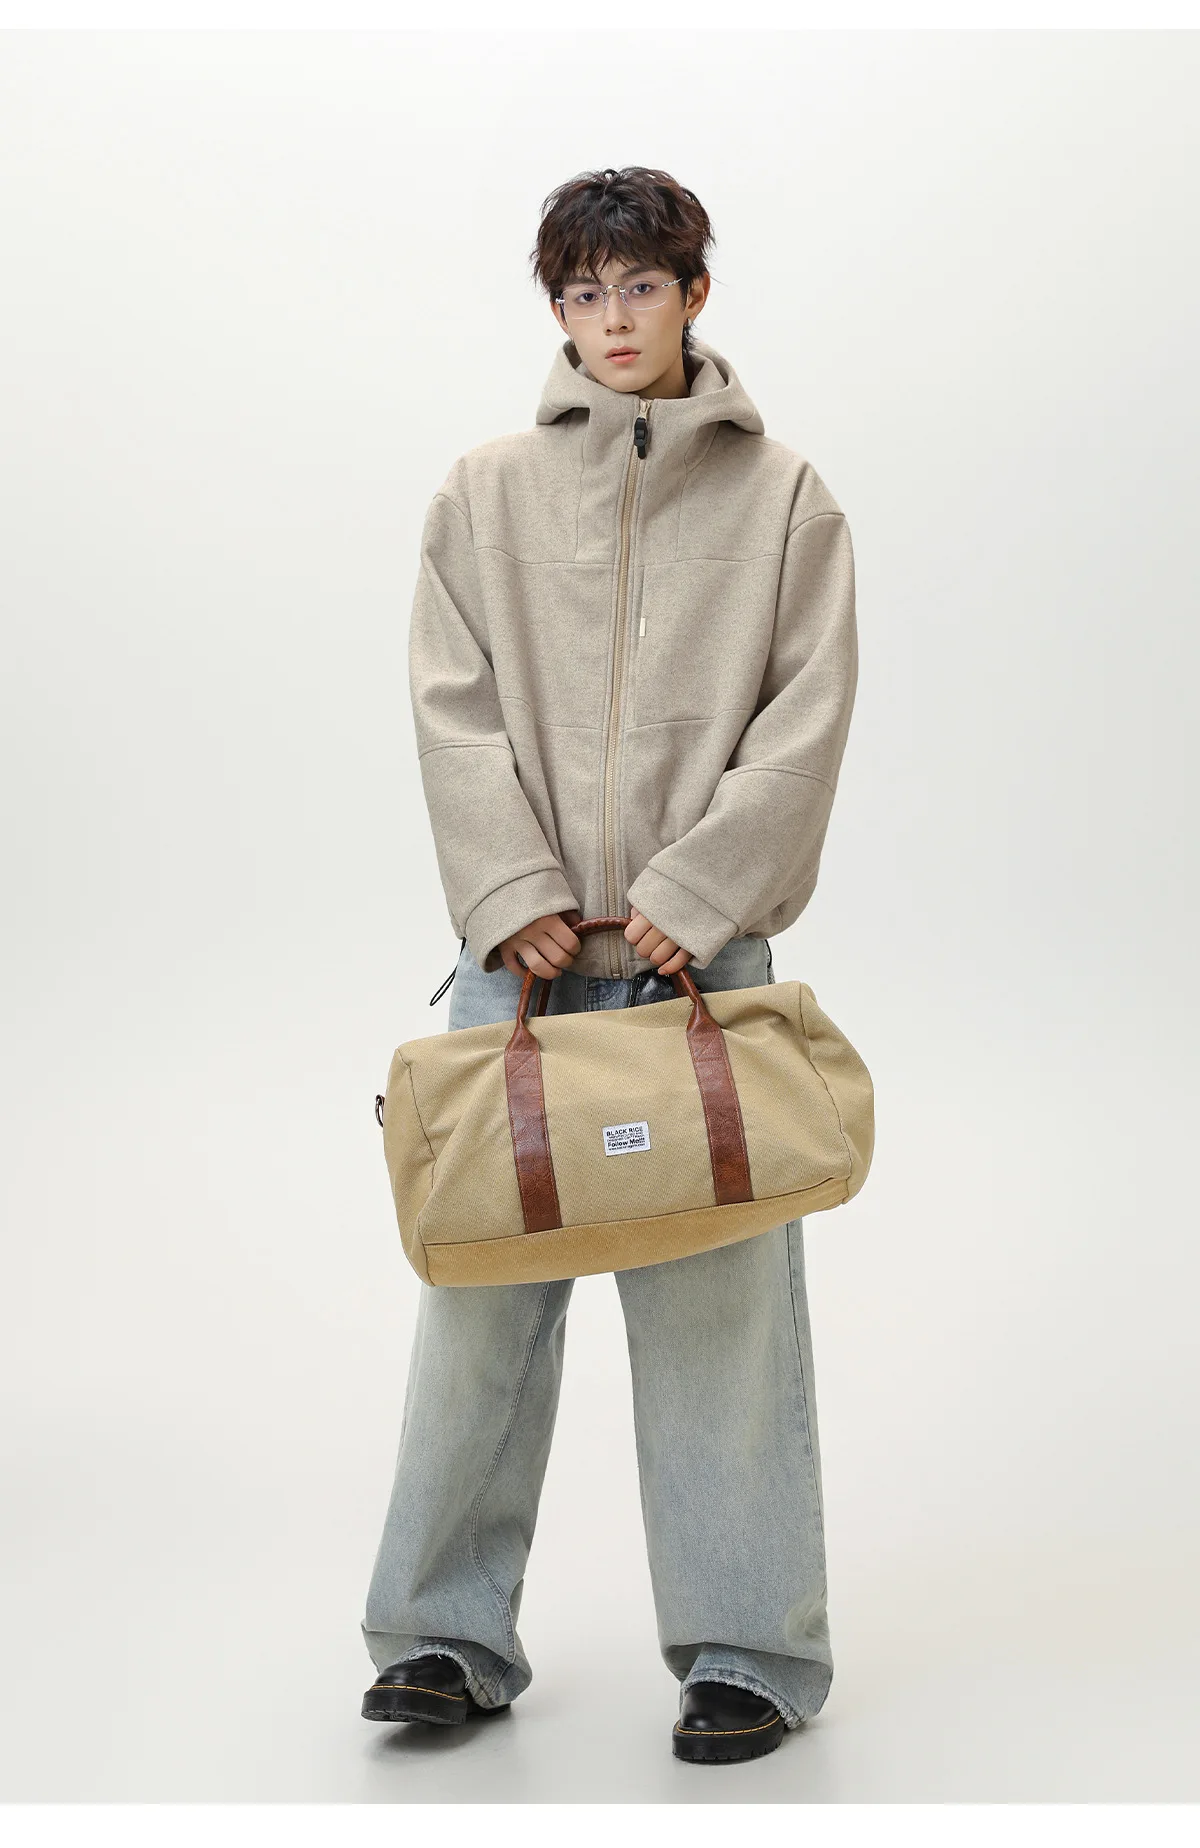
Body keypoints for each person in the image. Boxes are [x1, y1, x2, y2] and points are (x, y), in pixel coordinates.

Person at [360, 165, 859, 1766]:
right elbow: (450, 702)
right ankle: (441, 1638)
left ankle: (748, 1655)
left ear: (694, 293)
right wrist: (508, 883)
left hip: (693, 970)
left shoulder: (785, 499)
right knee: (478, 1315)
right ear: (559, 310)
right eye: (583, 293)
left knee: (722, 1324)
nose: (612, 319)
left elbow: (806, 715)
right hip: (514, 968)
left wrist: (698, 892)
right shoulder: (483, 494)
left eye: (640, 286)